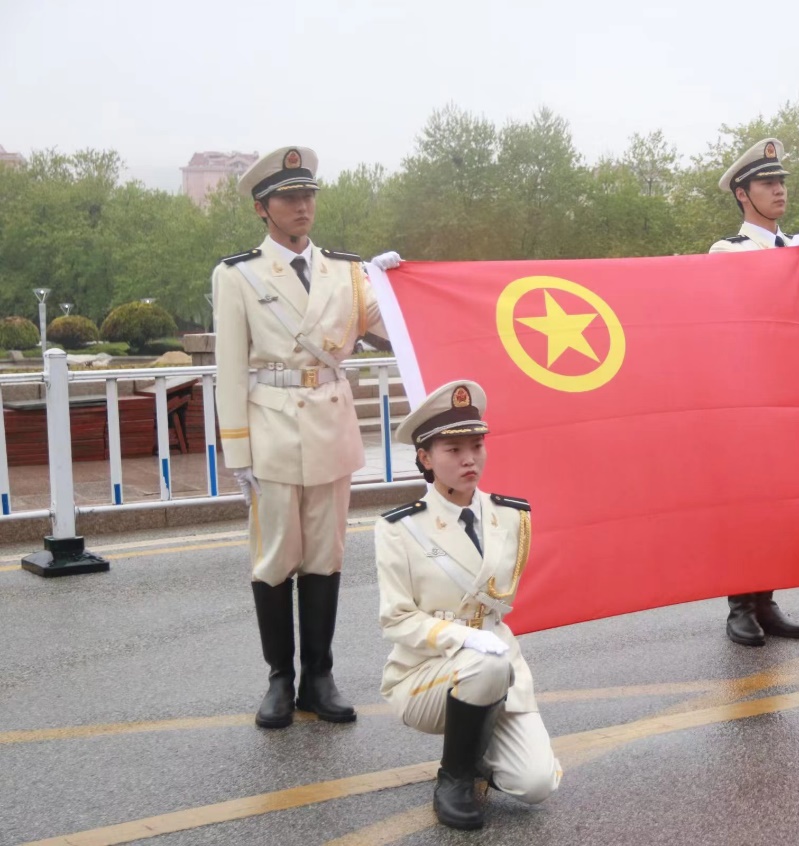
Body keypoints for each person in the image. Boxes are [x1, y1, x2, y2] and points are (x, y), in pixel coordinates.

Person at [212, 145, 401, 728]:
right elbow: (230, 368)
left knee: (325, 555)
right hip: (269, 428)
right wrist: (237, 451)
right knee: (275, 558)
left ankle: (319, 676)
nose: (302, 206)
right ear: (261, 208)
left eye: (308, 195)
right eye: (289, 197)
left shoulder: (346, 271)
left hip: (330, 424)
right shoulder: (237, 275)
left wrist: (397, 288)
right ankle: (279, 678)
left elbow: (390, 331)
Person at [375, 380, 561, 830]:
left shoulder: (511, 516)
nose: (469, 459)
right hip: (426, 673)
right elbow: (397, 620)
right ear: (425, 458)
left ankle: (476, 750)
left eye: (476, 446)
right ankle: (454, 777)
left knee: (535, 784)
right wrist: (462, 636)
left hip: (496, 665)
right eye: (453, 450)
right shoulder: (400, 529)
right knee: (486, 663)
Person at [708, 137, 799, 647]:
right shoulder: (728, 251)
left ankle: (767, 600)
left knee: (778, 501)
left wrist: (797, 262)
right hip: (743, 395)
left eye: (781, 182)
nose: (779, 190)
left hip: (785, 392)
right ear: (742, 194)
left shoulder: (793, 249)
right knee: (745, 503)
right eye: (767, 183)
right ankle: (740, 605)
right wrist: (785, 262)